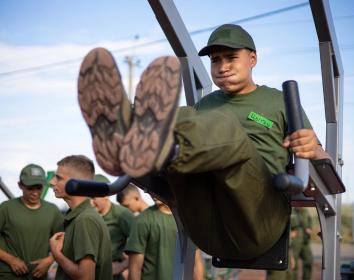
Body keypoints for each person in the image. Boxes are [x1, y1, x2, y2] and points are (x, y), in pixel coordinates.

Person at [77, 24, 329, 260]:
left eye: (231, 58)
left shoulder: (277, 100)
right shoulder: (205, 105)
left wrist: (312, 149)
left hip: (257, 218)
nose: (222, 66)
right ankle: (127, 135)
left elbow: (325, 162)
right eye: (216, 60)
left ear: (252, 59)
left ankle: (146, 140)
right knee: (184, 116)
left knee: (216, 125)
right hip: (203, 225)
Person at [49, 155, 112, 280]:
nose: (52, 182)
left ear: (75, 183)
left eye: (59, 178)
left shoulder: (85, 219)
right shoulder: (79, 216)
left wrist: (57, 255)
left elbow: (86, 277)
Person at [0, 164, 63, 280]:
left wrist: (49, 261)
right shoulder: (6, 208)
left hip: (39, 275)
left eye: (39, 188)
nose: (35, 193)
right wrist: (11, 260)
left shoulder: (52, 211)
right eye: (30, 188)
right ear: (20, 185)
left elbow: (63, 240)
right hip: (9, 275)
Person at [125, 197, 204, 280]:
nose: (152, 194)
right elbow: (135, 269)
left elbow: (196, 262)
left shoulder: (188, 220)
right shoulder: (142, 220)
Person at [92, 174, 135, 280]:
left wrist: (123, 265)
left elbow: (143, 244)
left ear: (106, 194)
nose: (90, 202)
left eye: (94, 197)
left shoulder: (122, 215)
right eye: (88, 197)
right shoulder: (88, 214)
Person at [295, 207, 313, 280]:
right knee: (293, 264)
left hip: (305, 242)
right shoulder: (292, 211)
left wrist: (309, 229)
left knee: (308, 261)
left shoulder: (306, 211)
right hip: (295, 243)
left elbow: (310, 222)